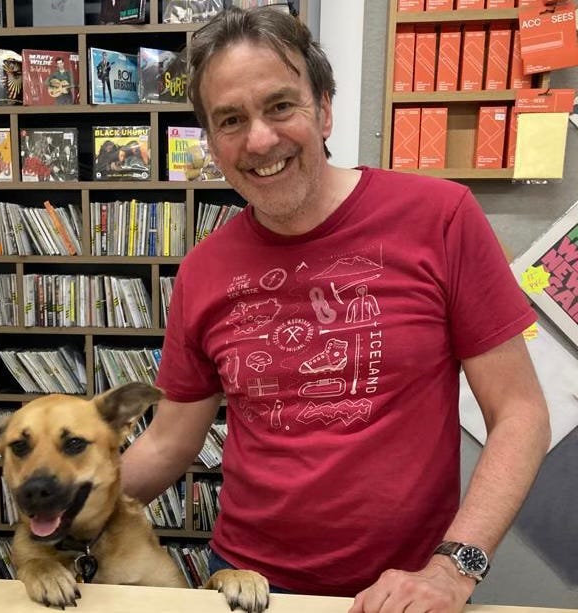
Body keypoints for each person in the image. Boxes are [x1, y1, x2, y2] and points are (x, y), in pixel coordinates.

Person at [120, 6, 551, 612]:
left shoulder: (440, 218)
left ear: (324, 108)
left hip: (405, 592)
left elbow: (521, 414)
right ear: (211, 143)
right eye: (230, 120)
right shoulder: (202, 270)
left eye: (279, 106)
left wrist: (455, 568)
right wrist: (64, 496)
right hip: (247, 587)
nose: (260, 140)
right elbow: (168, 444)